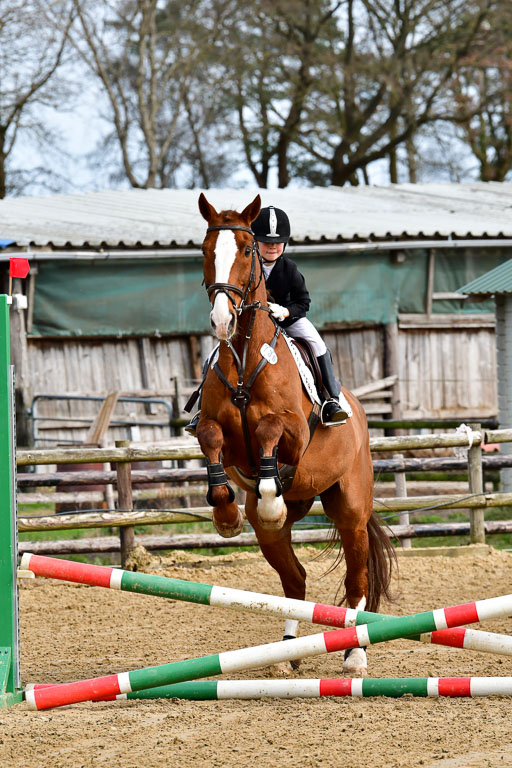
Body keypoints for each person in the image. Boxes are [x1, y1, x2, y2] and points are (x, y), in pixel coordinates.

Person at [185, 205, 351, 435]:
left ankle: (330, 400)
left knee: (317, 343)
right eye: (266, 242)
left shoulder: (289, 268)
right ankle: (204, 408)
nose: (272, 246)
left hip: (288, 321)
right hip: (252, 324)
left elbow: (304, 302)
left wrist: (284, 312)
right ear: (255, 242)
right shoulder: (246, 264)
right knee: (215, 355)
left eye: (278, 242)